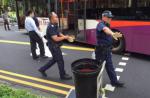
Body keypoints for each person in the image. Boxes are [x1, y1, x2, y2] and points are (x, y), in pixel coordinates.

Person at [38, 12, 72, 80]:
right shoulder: (51, 27)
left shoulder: (55, 24)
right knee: (60, 60)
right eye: (55, 17)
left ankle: (42, 69)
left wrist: (65, 36)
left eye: (57, 16)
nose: (57, 18)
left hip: (55, 46)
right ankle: (62, 75)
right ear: (51, 19)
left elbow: (58, 33)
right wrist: (65, 38)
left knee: (54, 60)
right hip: (54, 47)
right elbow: (55, 38)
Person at [95, 10, 124, 87]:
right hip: (100, 51)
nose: (110, 19)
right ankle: (94, 83)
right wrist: (112, 33)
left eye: (111, 18)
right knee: (98, 67)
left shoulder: (107, 25)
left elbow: (107, 31)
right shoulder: (100, 24)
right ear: (103, 17)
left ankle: (114, 82)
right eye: (108, 18)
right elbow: (105, 30)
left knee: (110, 67)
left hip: (107, 50)